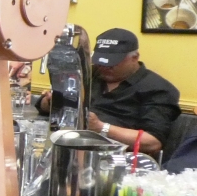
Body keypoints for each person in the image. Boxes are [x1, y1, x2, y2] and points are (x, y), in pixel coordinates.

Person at [39, 28, 180, 155]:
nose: (104, 67)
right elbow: (42, 106)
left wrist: (101, 128)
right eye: (100, 62)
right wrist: (52, 102)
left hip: (118, 157)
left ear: (134, 57)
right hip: (70, 145)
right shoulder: (89, 74)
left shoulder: (158, 89)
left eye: (112, 63)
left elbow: (152, 142)